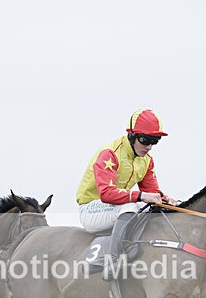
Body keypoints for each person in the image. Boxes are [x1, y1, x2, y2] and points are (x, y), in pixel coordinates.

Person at [75, 109, 177, 280]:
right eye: (145, 140)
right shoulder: (109, 154)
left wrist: (168, 200)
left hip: (116, 207)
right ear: (132, 135)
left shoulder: (147, 161)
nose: (149, 146)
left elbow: (152, 193)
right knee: (132, 205)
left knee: (151, 208)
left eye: (155, 141)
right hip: (92, 208)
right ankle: (113, 261)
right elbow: (106, 194)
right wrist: (141, 196)